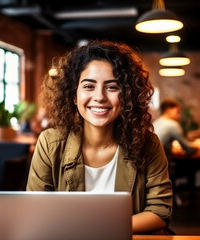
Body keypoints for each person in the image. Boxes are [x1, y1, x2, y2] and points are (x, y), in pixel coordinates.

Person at [26, 40, 173, 234]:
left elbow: (160, 211)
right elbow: (35, 209)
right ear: (73, 95)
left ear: (127, 96)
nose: (100, 97)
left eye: (112, 87)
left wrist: (102, 229)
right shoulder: (49, 143)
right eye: (89, 86)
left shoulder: (148, 144)